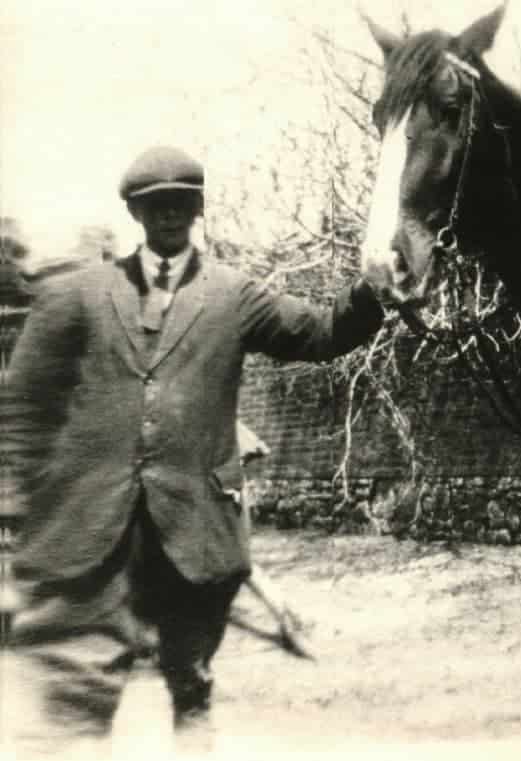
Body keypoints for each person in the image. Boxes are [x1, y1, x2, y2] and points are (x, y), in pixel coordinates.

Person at [2, 145, 384, 756]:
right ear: (134, 212)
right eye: (155, 205)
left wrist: (376, 290)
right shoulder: (78, 295)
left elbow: (321, 332)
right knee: (75, 704)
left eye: (181, 203)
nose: (169, 216)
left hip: (196, 531)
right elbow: (22, 406)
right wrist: (22, 505)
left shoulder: (234, 296)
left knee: (192, 690)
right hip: (93, 534)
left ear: (199, 208)